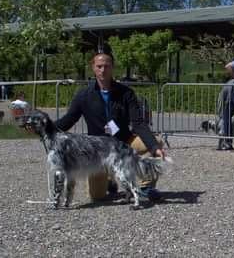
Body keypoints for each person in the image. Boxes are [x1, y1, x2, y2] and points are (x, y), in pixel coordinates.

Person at [55, 49, 167, 202]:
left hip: (123, 141)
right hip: (97, 150)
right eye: (99, 66)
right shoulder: (83, 95)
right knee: (97, 197)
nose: (103, 70)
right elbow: (69, 119)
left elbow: (139, 123)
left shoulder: (126, 93)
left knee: (155, 142)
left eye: (107, 66)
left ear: (113, 67)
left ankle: (145, 188)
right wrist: (45, 127)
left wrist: (154, 147)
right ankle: (110, 181)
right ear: (93, 68)